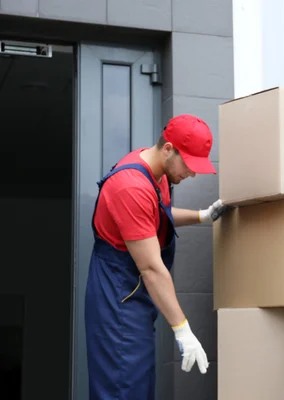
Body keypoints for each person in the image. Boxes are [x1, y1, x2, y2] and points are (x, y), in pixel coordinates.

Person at [84, 114, 229, 400]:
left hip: (132, 291)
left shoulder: (155, 172)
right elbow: (151, 268)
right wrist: (183, 330)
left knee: (138, 382)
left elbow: (152, 217)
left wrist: (202, 216)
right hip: (117, 294)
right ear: (168, 149)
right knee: (122, 386)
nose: (192, 174)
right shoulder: (131, 186)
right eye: (188, 165)